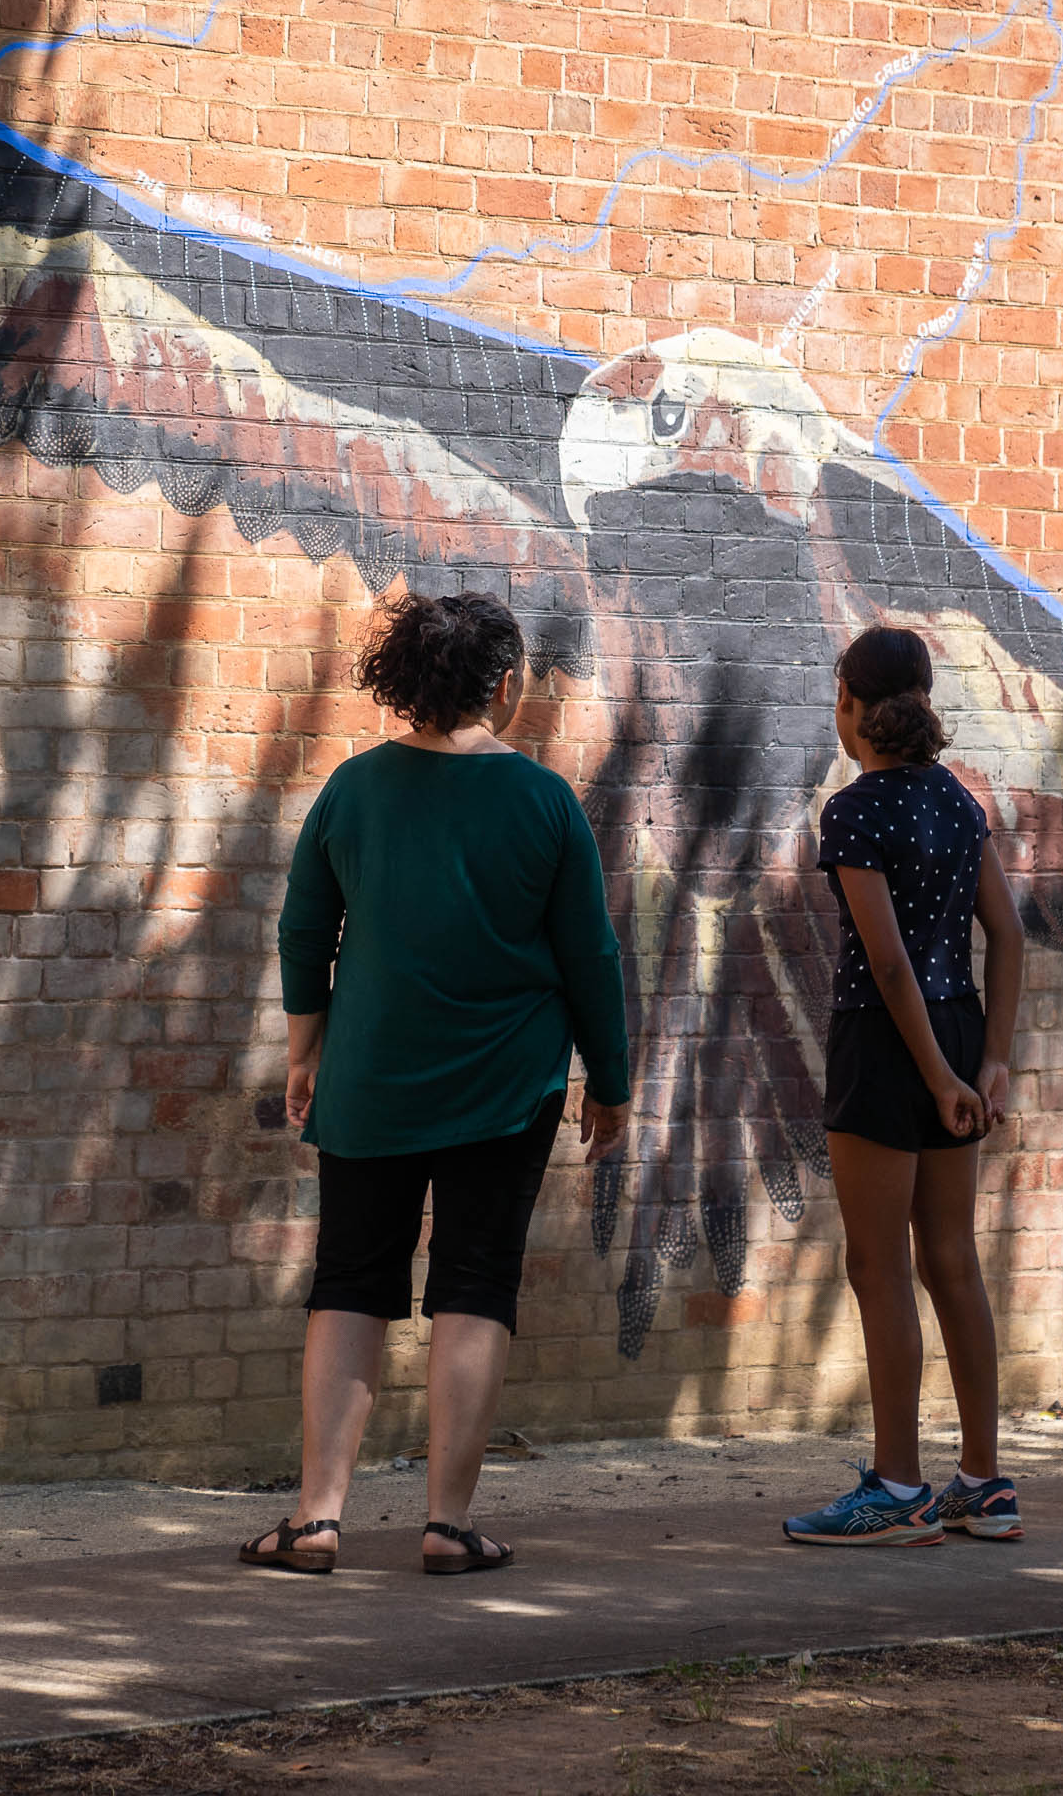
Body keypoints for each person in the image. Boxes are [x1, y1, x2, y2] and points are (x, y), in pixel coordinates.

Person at [241, 591, 633, 1576]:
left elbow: (302, 930)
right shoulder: (544, 800)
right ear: (502, 686)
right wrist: (610, 1080)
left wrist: (302, 1048)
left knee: (348, 1281)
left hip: (370, 1072)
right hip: (509, 1082)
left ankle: (315, 1518)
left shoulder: (352, 787)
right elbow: (589, 954)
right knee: (474, 1281)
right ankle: (447, 1524)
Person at [782, 627, 1027, 1547]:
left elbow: (887, 966)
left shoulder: (851, 811)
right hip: (959, 1026)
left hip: (890, 1046)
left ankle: (897, 1486)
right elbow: (1005, 934)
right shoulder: (961, 803)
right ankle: (983, 1481)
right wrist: (987, 1062)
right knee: (952, 1258)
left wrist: (935, 1075)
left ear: (849, 701)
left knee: (876, 1264)